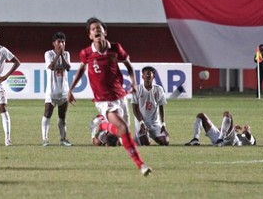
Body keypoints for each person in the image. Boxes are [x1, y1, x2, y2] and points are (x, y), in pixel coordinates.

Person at [68, 17, 152, 176]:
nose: (96, 30)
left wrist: (133, 83)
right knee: (123, 128)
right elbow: (80, 70)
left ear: (105, 32)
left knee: (119, 137)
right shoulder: (86, 53)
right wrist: (71, 89)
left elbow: (129, 66)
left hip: (120, 96)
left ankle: (101, 126)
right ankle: (141, 165)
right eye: (93, 29)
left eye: (99, 28)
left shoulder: (115, 48)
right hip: (103, 100)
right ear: (90, 35)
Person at [41, 32, 72, 147]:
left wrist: (62, 55)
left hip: (64, 91)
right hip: (51, 91)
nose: (61, 44)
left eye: (63, 42)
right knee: (47, 114)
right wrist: (58, 55)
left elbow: (68, 68)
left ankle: (63, 139)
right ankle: (45, 139)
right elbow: (51, 67)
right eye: (59, 42)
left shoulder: (67, 54)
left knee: (62, 116)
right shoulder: (48, 54)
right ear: (54, 43)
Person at [132, 66, 169, 146]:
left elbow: (161, 107)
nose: (147, 76)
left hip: (154, 123)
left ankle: (151, 134)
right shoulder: (137, 89)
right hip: (141, 123)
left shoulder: (159, 89)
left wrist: (163, 124)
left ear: (154, 77)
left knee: (165, 142)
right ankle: (137, 137)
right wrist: (141, 123)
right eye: (145, 75)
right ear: (142, 76)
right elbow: (135, 108)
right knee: (146, 143)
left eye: (149, 74)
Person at [184, 111, 256, 146]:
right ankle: (195, 140)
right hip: (219, 137)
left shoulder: (250, 138)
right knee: (201, 115)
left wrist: (247, 131)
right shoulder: (238, 133)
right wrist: (232, 127)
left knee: (227, 114)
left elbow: (249, 137)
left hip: (232, 141)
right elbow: (220, 130)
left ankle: (220, 140)